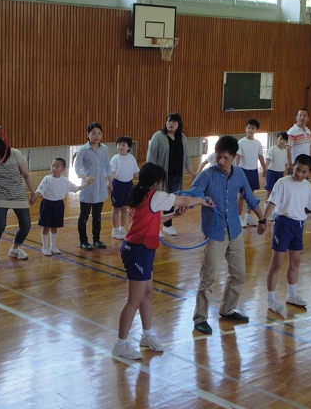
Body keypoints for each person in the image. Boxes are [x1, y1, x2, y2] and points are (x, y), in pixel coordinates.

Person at [112, 163, 213, 359]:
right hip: (137, 250)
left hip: (143, 250)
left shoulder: (143, 195)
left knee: (147, 293)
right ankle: (120, 344)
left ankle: (147, 335)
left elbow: (153, 219)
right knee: (134, 299)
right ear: (157, 182)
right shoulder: (155, 197)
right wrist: (202, 200)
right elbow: (184, 199)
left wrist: (174, 215)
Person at [190, 135, 267, 334]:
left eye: (225, 157)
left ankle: (227, 309)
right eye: (219, 157)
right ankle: (200, 318)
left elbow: (250, 198)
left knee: (239, 274)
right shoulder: (207, 175)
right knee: (209, 277)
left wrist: (262, 219)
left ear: (234, 157)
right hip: (215, 233)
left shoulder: (239, 174)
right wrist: (199, 199)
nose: (221, 161)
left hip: (234, 230)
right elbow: (192, 194)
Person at [261, 154, 311, 310]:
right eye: (298, 169)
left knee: (295, 262)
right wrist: (263, 221)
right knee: (277, 263)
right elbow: (271, 203)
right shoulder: (282, 183)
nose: (299, 174)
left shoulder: (307, 186)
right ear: (293, 166)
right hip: (283, 225)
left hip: (298, 226)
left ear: (309, 173)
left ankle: (292, 294)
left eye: (304, 172)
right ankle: (271, 299)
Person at [0, 137, 35, 265]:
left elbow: (26, 174)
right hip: (0, 193)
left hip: (18, 193)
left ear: (2, 151)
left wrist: (33, 192)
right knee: (0, 224)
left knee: (26, 225)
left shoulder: (15, 154)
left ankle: (15, 249)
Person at [146, 113, 196, 236]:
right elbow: (151, 158)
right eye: (169, 121)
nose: (171, 123)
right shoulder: (158, 136)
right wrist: (151, 176)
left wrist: (192, 173)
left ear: (179, 124)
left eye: (174, 121)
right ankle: (154, 227)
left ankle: (167, 225)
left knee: (171, 200)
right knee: (157, 200)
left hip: (176, 174)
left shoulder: (182, 138)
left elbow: (186, 158)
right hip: (160, 177)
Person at [30, 158, 91, 255]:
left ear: (63, 169)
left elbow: (76, 188)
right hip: (47, 205)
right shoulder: (47, 179)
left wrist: (87, 184)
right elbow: (39, 190)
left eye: (57, 166)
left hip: (58, 205)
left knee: (54, 226)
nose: (54, 168)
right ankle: (45, 247)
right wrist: (34, 197)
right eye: (53, 166)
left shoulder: (65, 181)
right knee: (46, 227)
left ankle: (53, 247)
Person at [75, 122, 112, 250]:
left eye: (99, 133)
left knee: (97, 216)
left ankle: (96, 239)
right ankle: (83, 241)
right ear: (88, 134)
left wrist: (110, 182)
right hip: (88, 188)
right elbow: (77, 167)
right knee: (84, 216)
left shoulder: (105, 149)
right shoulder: (83, 150)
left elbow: (107, 166)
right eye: (93, 133)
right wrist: (85, 177)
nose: (96, 136)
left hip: (100, 187)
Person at [236, 118, 267, 226]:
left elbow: (260, 156)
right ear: (246, 128)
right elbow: (238, 157)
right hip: (243, 171)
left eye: (253, 128)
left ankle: (248, 217)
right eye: (249, 127)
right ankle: (239, 217)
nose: (250, 130)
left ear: (256, 130)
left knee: (251, 195)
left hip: (253, 171)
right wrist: (236, 170)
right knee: (241, 195)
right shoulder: (241, 142)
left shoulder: (258, 143)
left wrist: (265, 168)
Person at [110, 136, 140, 240]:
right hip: (117, 185)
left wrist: (144, 181)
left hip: (128, 185)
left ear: (129, 147)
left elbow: (136, 172)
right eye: (119, 144)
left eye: (123, 144)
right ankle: (115, 230)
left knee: (124, 208)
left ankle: (122, 228)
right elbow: (112, 173)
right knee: (116, 208)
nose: (120, 146)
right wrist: (109, 183)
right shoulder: (115, 159)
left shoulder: (132, 158)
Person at [265, 131, 288, 217]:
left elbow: (285, 163)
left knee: (278, 193)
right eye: (281, 139)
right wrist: (265, 170)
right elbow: (268, 160)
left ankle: (274, 211)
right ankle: (266, 213)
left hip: (280, 174)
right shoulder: (272, 149)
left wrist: (284, 171)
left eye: (284, 140)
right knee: (269, 192)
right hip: (271, 172)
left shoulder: (285, 151)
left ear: (286, 142)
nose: (282, 141)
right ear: (277, 139)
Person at [286, 108, 311, 173]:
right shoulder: (291, 132)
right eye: (300, 115)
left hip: (306, 164)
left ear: (308, 118)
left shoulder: (308, 131)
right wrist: (290, 164)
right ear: (296, 118)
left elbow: (310, 147)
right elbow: (288, 149)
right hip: (295, 164)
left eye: (305, 116)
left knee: (304, 179)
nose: (302, 117)